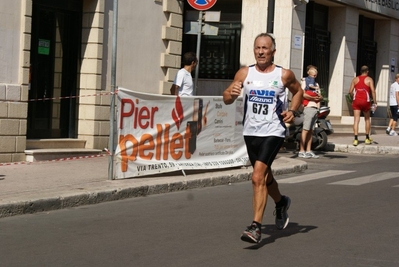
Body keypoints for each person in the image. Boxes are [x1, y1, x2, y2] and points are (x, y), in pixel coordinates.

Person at [222, 33, 302, 244]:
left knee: (257, 176)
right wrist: (232, 93)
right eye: (257, 48)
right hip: (251, 132)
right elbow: (227, 98)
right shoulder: (244, 72)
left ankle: (255, 227)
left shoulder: (283, 75)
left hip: (273, 131)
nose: (260, 51)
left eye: (265, 48)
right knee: (265, 177)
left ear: (273, 51)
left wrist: (292, 110)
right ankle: (281, 202)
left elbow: (299, 92)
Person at [298, 65, 324, 158]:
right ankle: (301, 150)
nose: (314, 76)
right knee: (305, 129)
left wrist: (319, 98)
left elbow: (320, 96)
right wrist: (313, 98)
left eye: (315, 74)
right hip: (308, 107)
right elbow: (303, 94)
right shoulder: (305, 81)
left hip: (315, 109)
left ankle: (308, 150)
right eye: (313, 74)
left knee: (311, 130)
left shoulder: (316, 85)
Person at [349, 65, 377, 146]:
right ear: (367, 71)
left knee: (356, 120)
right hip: (366, 101)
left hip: (356, 101)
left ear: (360, 71)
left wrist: (353, 99)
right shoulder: (369, 79)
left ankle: (355, 139)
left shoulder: (355, 79)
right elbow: (373, 91)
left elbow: (350, 91)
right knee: (367, 119)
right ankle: (367, 138)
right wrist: (375, 102)